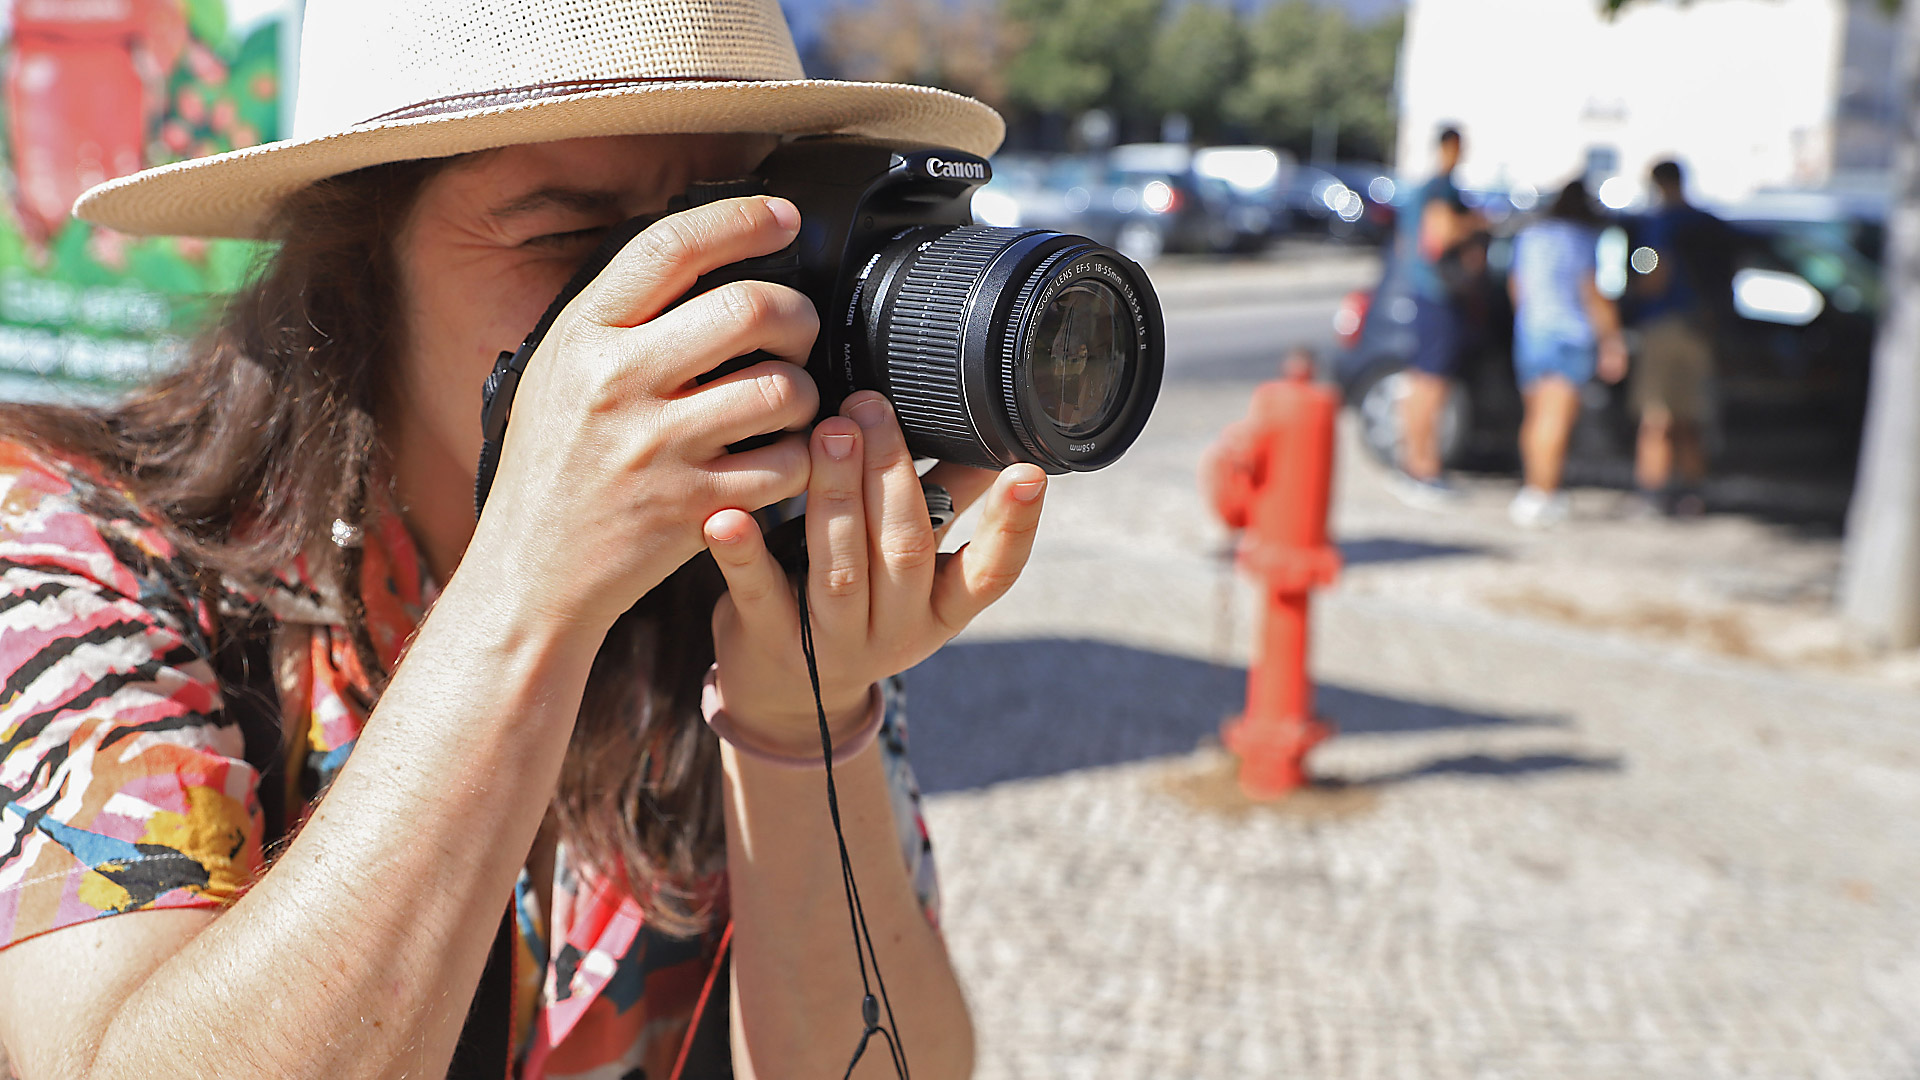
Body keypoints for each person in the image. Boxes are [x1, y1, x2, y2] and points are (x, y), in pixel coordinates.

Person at [0, 2, 1035, 1078]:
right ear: (355, 272)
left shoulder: (742, 547)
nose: (685, 310)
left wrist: (803, 722)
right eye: (577, 238)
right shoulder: (76, 538)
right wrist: (531, 592)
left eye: (734, 227)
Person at [1505, 179, 1626, 528]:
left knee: (1535, 417)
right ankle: (1542, 493)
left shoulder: (1531, 236)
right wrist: (1612, 340)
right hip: (1569, 334)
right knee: (1554, 419)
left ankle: (1534, 487)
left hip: (1531, 333)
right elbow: (1591, 291)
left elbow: (1517, 287)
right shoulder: (1582, 239)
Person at [1628, 159, 1732, 516]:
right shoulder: (1708, 222)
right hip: (1700, 328)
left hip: (1663, 325)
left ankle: (1651, 494)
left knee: (1656, 416)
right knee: (1691, 417)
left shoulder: (1658, 224)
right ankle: (1693, 493)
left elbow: (1652, 272)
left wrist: (1634, 294)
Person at [1390, 125, 1485, 508]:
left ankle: (1418, 464)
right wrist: (1478, 225)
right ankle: (1422, 468)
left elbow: (1403, 245)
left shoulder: (1424, 190)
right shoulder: (1439, 189)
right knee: (1431, 386)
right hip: (1438, 294)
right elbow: (1440, 235)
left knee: (1421, 384)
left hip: (1423, 292)